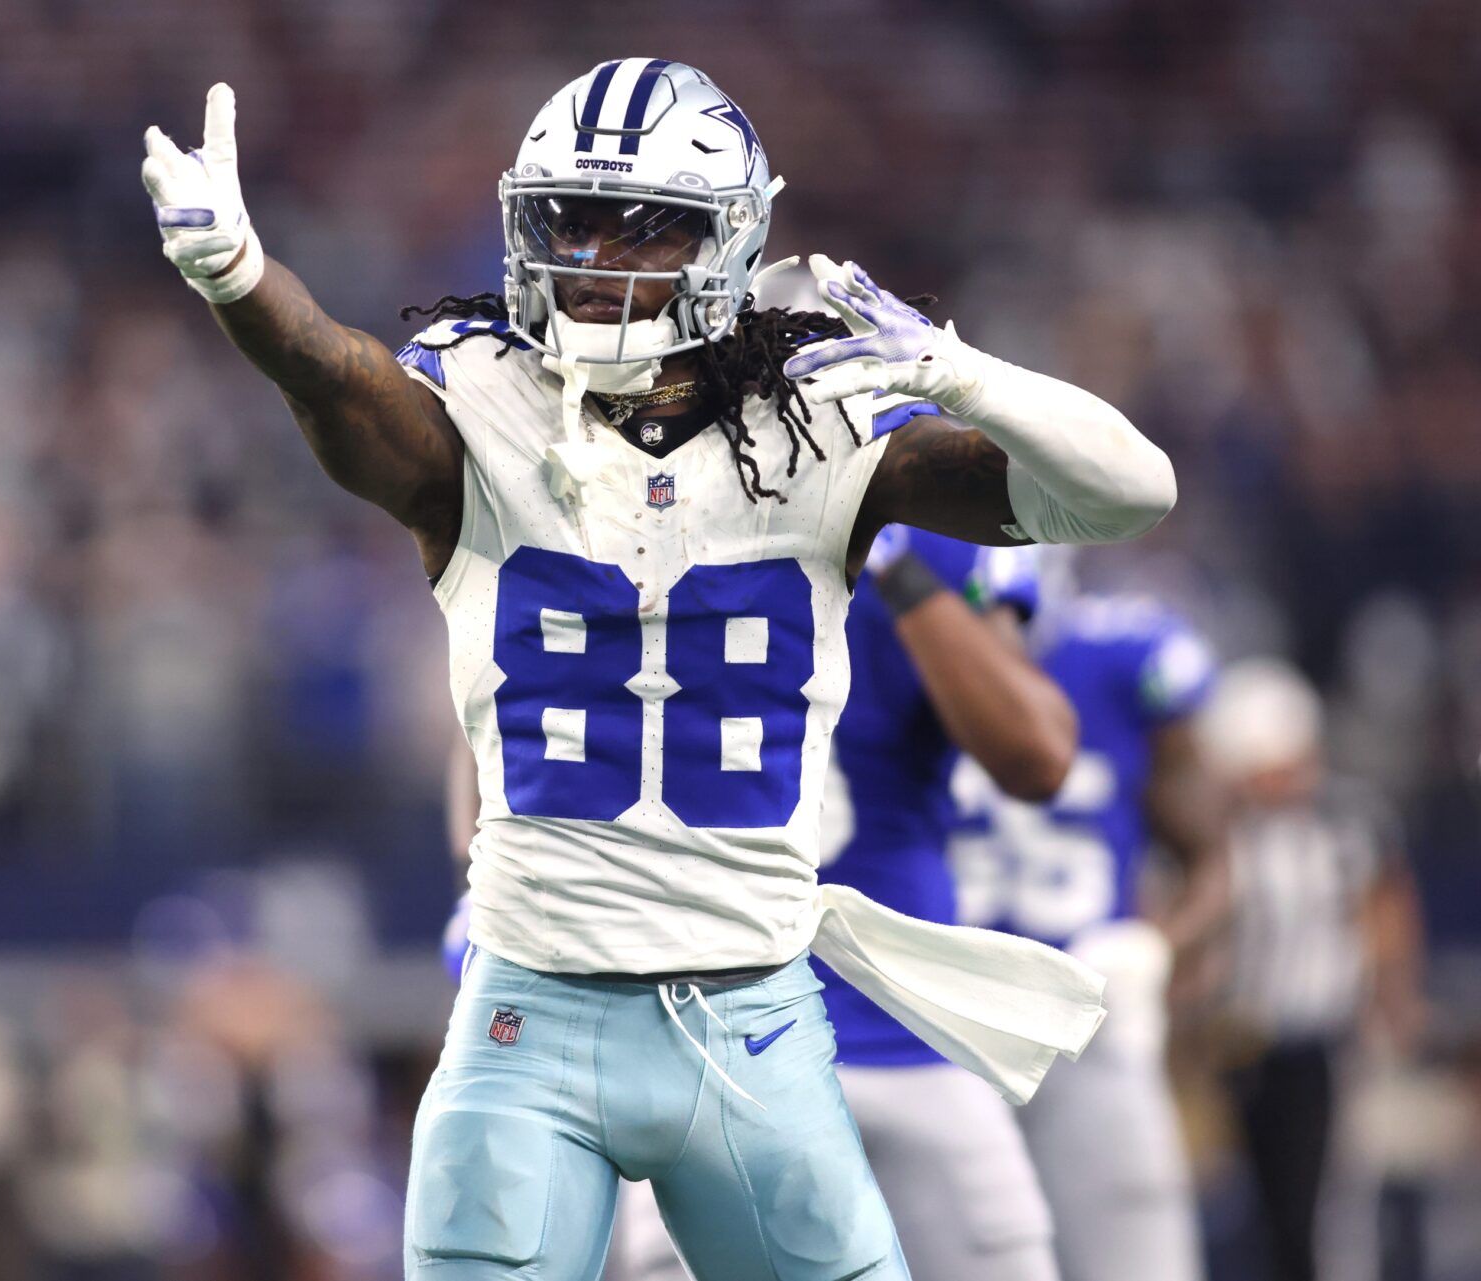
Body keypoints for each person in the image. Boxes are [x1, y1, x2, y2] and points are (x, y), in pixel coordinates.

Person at [142, 58, 1175, 1281]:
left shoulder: (826, 427)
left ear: (727, 243)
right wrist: (243, 283)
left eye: (643, 228)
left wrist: (962, 374)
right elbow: (337, 374)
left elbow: (1130, 495)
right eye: (567, 217)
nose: (592, 255)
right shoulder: (482, 406)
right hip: (530, 1016)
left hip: (753, 1019)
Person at [615, 520, 1081, 1281]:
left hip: (910, 1038)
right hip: (706, 1048)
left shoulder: (929, 522)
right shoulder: (631, 501)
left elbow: (1035, 755)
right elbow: (503, 728)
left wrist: (894, 559)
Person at [950, 588, 1229, 1281]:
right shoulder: (886, 637)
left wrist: (1154, 952)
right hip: (929, 1022)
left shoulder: (1124, 652)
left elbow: (1216, 861)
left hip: (1088, 1018)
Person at [1195, 659, 1425, 1281]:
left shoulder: (1348, 820)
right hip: (1232, 1045)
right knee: (1244, 1213)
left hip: (1324, 1040)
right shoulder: (1215, 826)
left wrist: (1393, 1009)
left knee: (1324, 1216)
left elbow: (1386, 911)